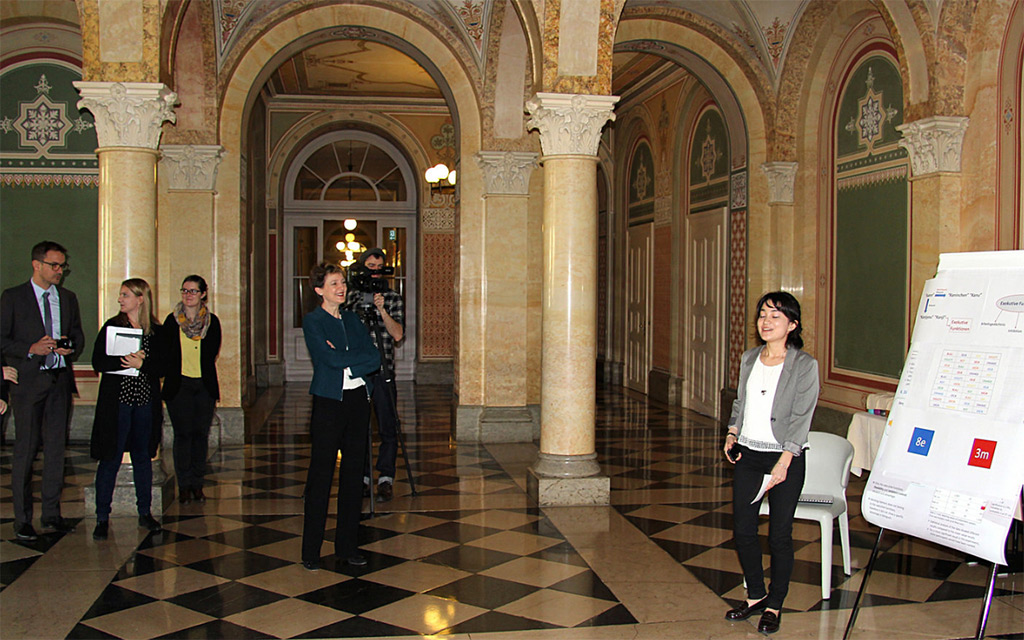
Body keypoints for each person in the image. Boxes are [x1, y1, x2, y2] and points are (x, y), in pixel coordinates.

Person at [723, 291, 819, 635]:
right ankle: (756, 596)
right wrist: (732, 433)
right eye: (763, 314)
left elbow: (801, 417)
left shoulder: (804, 365)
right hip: (749, 454)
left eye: (776, 316)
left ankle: (776, 604)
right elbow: (741, 401)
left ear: (792, 325)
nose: (766, 321)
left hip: (786, 458)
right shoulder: (750, 358)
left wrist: (784, 461)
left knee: (779, 535)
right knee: (744, 530)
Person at [0, 241, 85, 541]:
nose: (60, 271)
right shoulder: (13, 297)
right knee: (25, 450)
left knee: (55, 450)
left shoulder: (68, 298)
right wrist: (31, 349)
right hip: (27, 385)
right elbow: (2, 340)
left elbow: (78, 337)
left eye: (63, 266)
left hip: (59, 382)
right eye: (55, 265)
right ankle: (22, 519)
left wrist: (68, 346)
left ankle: (51, 513)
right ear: (37, 265)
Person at [301, 262, 380, 571]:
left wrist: (349, 363)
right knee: (320, 476)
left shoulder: (353, 319)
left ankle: (347, 546)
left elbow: (373, 357)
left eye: (342, 282)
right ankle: (311, 550)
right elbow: (327, 358)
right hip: (329, 402)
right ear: (320, 289)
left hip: (358, 400)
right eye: (334, 283)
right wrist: (350, 360)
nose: (341, 287)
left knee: (352, 476)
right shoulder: (313, 321)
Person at [90, 278, 165, 540]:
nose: (120, 299)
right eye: (120, 295)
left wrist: (144, 362)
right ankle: (102, 516)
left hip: (144, 403)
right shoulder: (112, 326)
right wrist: (125, 361)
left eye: (125, 295)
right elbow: (97, 361)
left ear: (140, 299)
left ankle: (145, 511)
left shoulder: (155, 331)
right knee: (110, 457)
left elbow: (164, 367)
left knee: (143, 456)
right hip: (117, 403)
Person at [345, 248, 404, 502]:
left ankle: (385, 478)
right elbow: (343, 331)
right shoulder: (351, 297)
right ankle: (363, 477)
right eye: (370, 266)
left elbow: (398, 335)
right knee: (359, 426)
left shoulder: (392, 297)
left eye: (379, 267)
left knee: (388, 426)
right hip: (358, 372)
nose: (374, 271)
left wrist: (381, 310)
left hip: (383, 371)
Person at [161, 275, 221, 505]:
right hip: (180, 385)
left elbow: (211, 352)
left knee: (200, 436)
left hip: (203, 385)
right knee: (182, 435)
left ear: (203, 294)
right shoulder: (171, 321)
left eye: (193, 291)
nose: (188, 295)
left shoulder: (211, 322)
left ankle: (198, 484)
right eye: (185, 290)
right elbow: (167, 352)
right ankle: (183, 485)